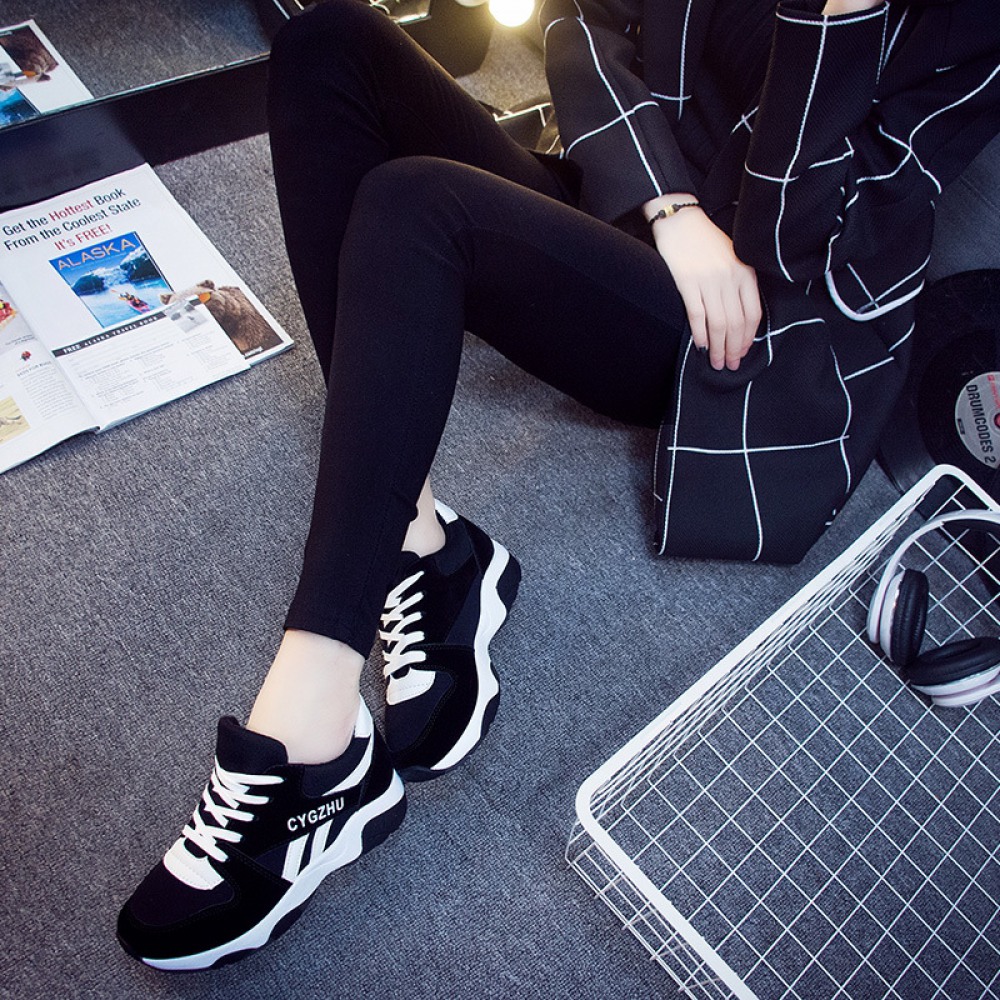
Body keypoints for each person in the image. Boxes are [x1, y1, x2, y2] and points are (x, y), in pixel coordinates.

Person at [116, 0, 1000, 970]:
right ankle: (421, 545)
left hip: (747, 319)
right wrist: (667, 204)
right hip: (634, 199)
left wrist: (838, 15)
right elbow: (587, 19)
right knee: (328, 41)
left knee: (415, 207)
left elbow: (820, 228)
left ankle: (314, 747)